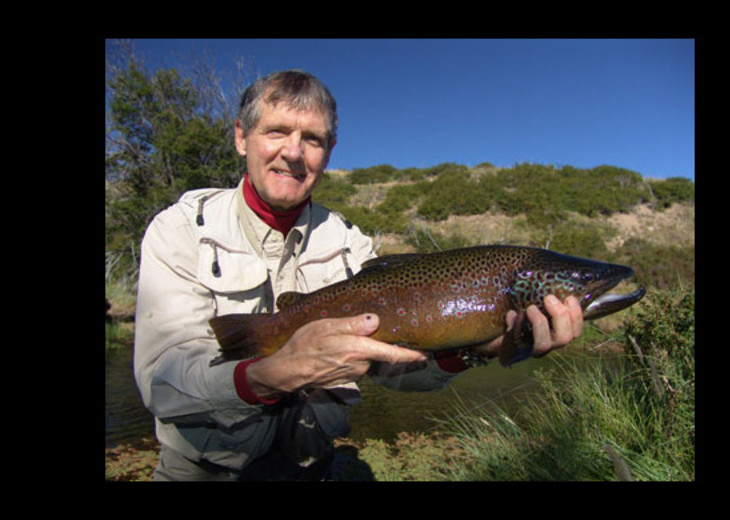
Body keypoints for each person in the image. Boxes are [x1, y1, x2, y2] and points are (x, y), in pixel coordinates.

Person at [133, 70, 584, 481]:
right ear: (241, 137)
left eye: (312, 139)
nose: (293, 152)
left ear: (329, 152)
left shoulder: (350, 244)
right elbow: (161, 383)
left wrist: (470, 350)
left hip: (312, 468)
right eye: (276, 132)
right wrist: (270, 374)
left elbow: (397, 371)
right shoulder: (180, 230)